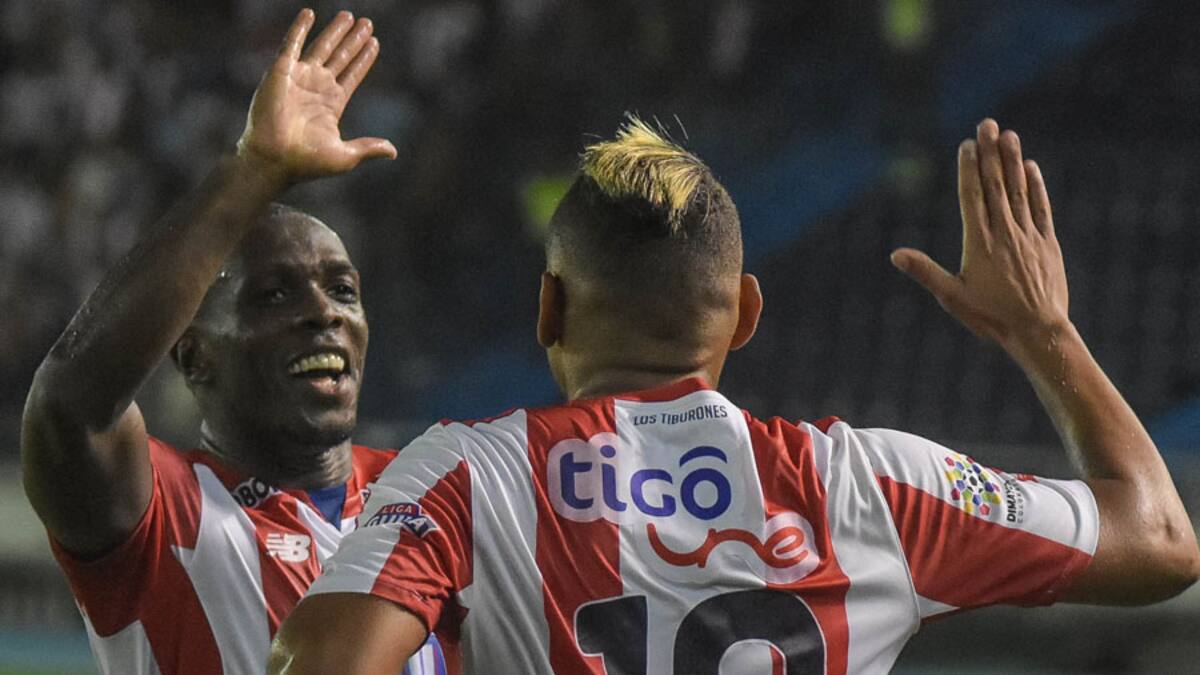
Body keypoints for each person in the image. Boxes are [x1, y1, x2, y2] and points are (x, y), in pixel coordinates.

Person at [269, 117, 1200, 674]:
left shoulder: (465, 477)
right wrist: (1043, 331)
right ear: (746, 313)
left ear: (549, 306)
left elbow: (320, 662)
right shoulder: (871, 485)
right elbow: (1160, 539)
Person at [20, 9, 444, 674]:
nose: (322, 313)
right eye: (274, 294)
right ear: (194, 356)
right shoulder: (164, 514)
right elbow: (67, 413)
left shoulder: (430, 500)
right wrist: (254, 169)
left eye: (342, 289)